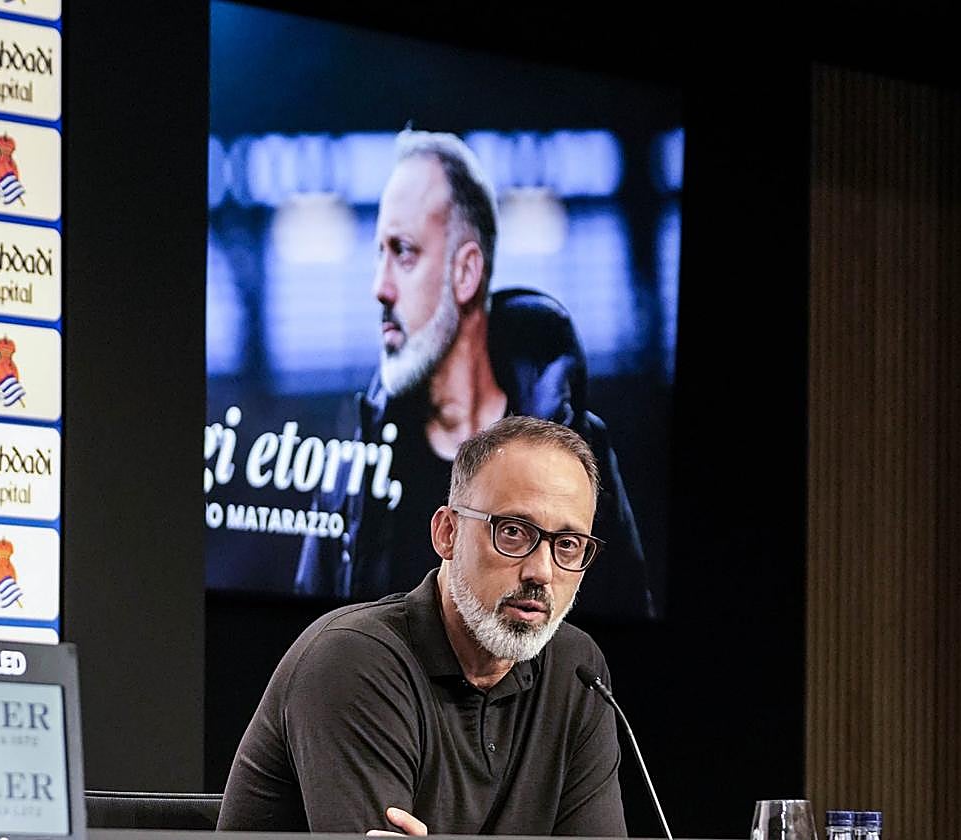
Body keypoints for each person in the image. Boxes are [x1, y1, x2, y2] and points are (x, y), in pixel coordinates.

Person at [295, 129, 654, 619]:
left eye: (403, 252)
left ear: (465, 273)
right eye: (379, 253)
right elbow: (310, 635)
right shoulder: (353, 462)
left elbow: (625, 624)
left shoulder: (581, 451)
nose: (380, 287)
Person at [220, 416, 627, 835]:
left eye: (568, 544)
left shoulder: (577, 671)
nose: (541, 571)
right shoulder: (352, 659)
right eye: (512, 532)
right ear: (447, 533)